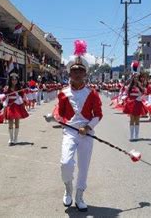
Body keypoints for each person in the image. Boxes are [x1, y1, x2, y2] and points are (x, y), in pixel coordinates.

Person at [57, 40, 102, 212]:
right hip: (69, 132)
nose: (77, 73)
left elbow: (98, 114)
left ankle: (79, 195)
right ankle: (68, 188)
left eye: (80, 71)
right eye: (74, 70)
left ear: (85, 73)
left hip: (86, 133)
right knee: (66, 163)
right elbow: (58, 112)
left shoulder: (92, 93)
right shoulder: (63, 93)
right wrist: (54, 118)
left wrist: (88, 127)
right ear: (69, 73)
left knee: (84, 166)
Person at [1, 73, 29, 146]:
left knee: (17, 123)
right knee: (10, 123)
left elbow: (23, 96)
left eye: (15, 79)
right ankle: (11, 138)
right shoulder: (7, 88)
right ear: (10, 80)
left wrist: (25, 98)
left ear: (17, 80)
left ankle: (15, 139)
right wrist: (3, 97)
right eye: (13, 79)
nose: (14, 81)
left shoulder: (19, 88)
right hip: (10, 106)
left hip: (17, 106)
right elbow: (3, 96)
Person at [123, 62, 147, 141]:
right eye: (135, 78)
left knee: (137, 119)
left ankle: (136, 135)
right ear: (133, 78)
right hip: (131, 104)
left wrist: (140, 97)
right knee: (132, 119)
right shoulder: (129, 87)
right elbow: (126, 92)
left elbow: (144, 93)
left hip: (138, 104)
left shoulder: (140, 87)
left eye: (137, 78)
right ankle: (131, 135)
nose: (136, 79)